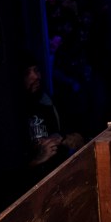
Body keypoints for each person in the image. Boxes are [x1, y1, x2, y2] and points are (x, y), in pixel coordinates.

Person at [22, 52, 86, 184]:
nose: (35, 77)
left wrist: (70, 140)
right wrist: (37, 160)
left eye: (36, 70)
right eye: (27, 73)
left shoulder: (50, 103)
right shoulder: (10, 114)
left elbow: (71, 135)